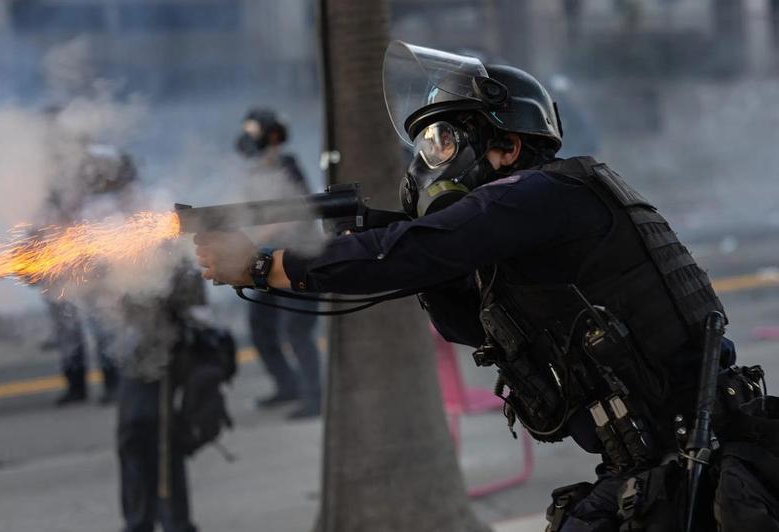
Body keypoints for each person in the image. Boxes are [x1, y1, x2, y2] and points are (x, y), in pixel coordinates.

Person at [193, 42, 777, 530]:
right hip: (657, 464)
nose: (429, 163)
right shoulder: (525, 232)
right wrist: (386, 246)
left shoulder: (543, 194)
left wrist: (265, 265)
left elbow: (420, 250)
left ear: (506, 147)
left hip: (704, 466)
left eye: (442, 142)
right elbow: (466, 319)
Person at [117, 256, 235, 532]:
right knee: (134, 438)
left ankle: (175, 522)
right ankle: (139, 521)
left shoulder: (175, 259)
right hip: (138, 359)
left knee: (164, 442)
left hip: (171, 358)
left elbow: (196, 309)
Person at [234, 108, 322, 419]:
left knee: (297, 330)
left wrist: (255, 237)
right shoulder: (255, 172)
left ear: (272, 136)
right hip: (270, 260)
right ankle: (288, 386)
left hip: (300, 257)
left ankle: (315, 398)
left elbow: (292, 215)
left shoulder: (287, 166)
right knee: (260, 327)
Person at [41, 143, 139, 405]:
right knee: (68, 329)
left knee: (104, 324)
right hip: (66, 266)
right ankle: (76, 384)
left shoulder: (104, 187)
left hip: (99, 267)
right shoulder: (56, 182)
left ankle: (113, 382)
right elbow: (46, 222)